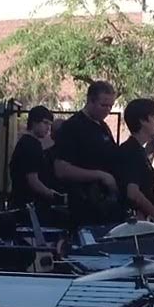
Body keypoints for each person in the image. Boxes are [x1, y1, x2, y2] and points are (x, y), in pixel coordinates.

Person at [53, 81, 122, 226]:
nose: (107, 110)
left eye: (110, 106)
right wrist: (99, 175)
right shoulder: (72, 127)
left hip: (107, 205)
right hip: (84, 205)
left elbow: (116, 158)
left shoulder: (103, 127)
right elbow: (61, 169)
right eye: (103, 105)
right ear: (90, 100)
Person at [115, 98, 154, 227]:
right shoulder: (131, 152)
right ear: (143, 121)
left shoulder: (136, 150)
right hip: (132, 227)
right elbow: (133, 193)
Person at [8, 105, 63, 213]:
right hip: (28, 206)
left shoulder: (26, 143)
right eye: (45, 123)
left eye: (50, 124)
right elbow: (33, 181)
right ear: (34, 122)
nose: (48, 128)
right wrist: (54, 196)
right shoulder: (31, 145)